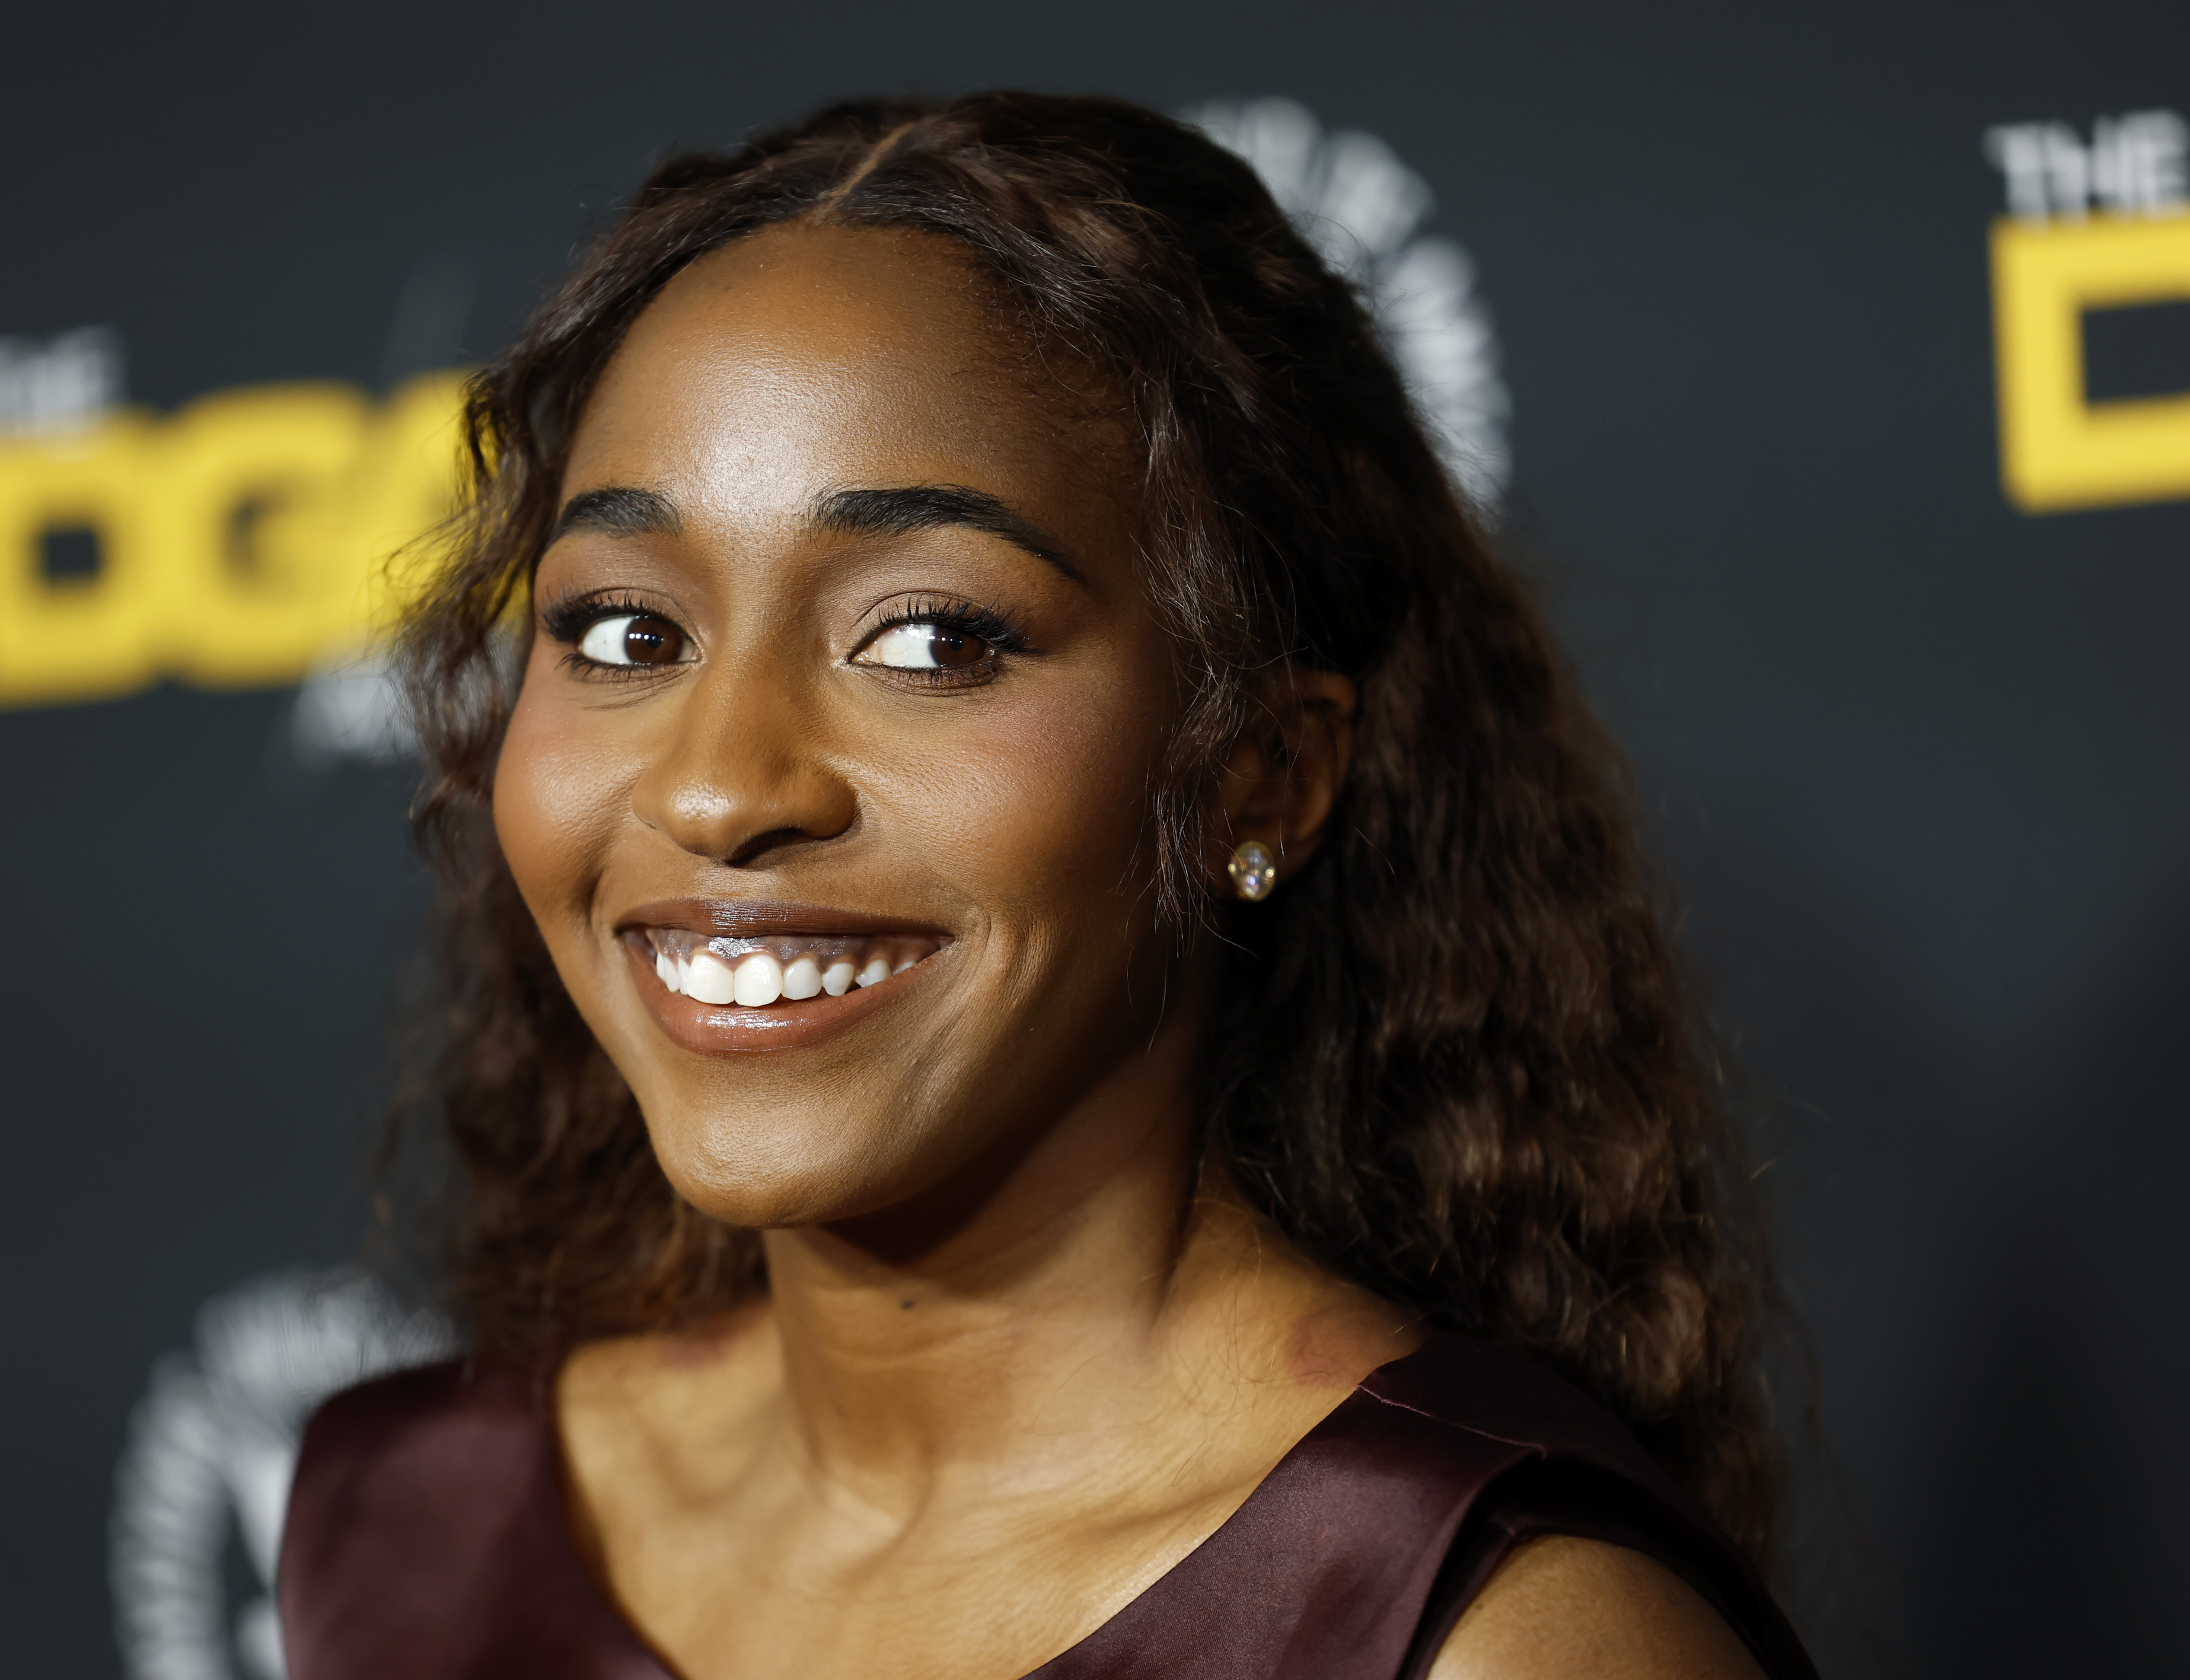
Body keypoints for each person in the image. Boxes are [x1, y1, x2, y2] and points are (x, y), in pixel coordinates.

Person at [277, 92, 1816, 1680]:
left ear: (1262, 772)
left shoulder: (1494, 1637)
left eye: (932, 639)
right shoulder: (403, 1534)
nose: (721, 784)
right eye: (624, 633)